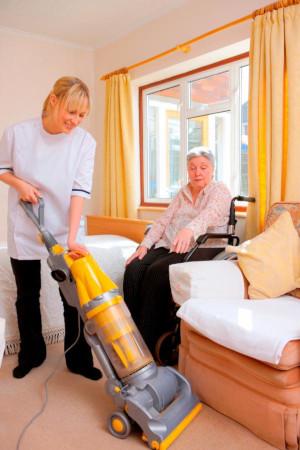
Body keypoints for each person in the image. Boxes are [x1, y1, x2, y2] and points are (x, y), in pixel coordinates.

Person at [0, 76, 102, 380]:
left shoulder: (85, 142)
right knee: (27, 293)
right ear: (53, 100)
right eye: (71, 111)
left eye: (82, 115)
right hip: (26, 224)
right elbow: (2, 168)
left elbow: (80, 191)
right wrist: (20, 184)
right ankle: (32, 353)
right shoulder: (18, 133)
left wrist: (72, 237)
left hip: (66, 225)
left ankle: (78, 358)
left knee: (73, 295)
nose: (75, 121)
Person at [123, 147, 232, 355]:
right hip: (170, 243)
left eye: (203, 167)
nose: (197, 172)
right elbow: (163, 221)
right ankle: (130, 333)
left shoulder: (219, 190)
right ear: (187, 171)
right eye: (192, 168)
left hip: (201, 246)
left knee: (156, 272)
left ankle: (147, 341)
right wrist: (144, 245)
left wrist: (189, 230)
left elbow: (209, 214)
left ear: (212, 169)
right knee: (134, 268)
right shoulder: (182, 192)